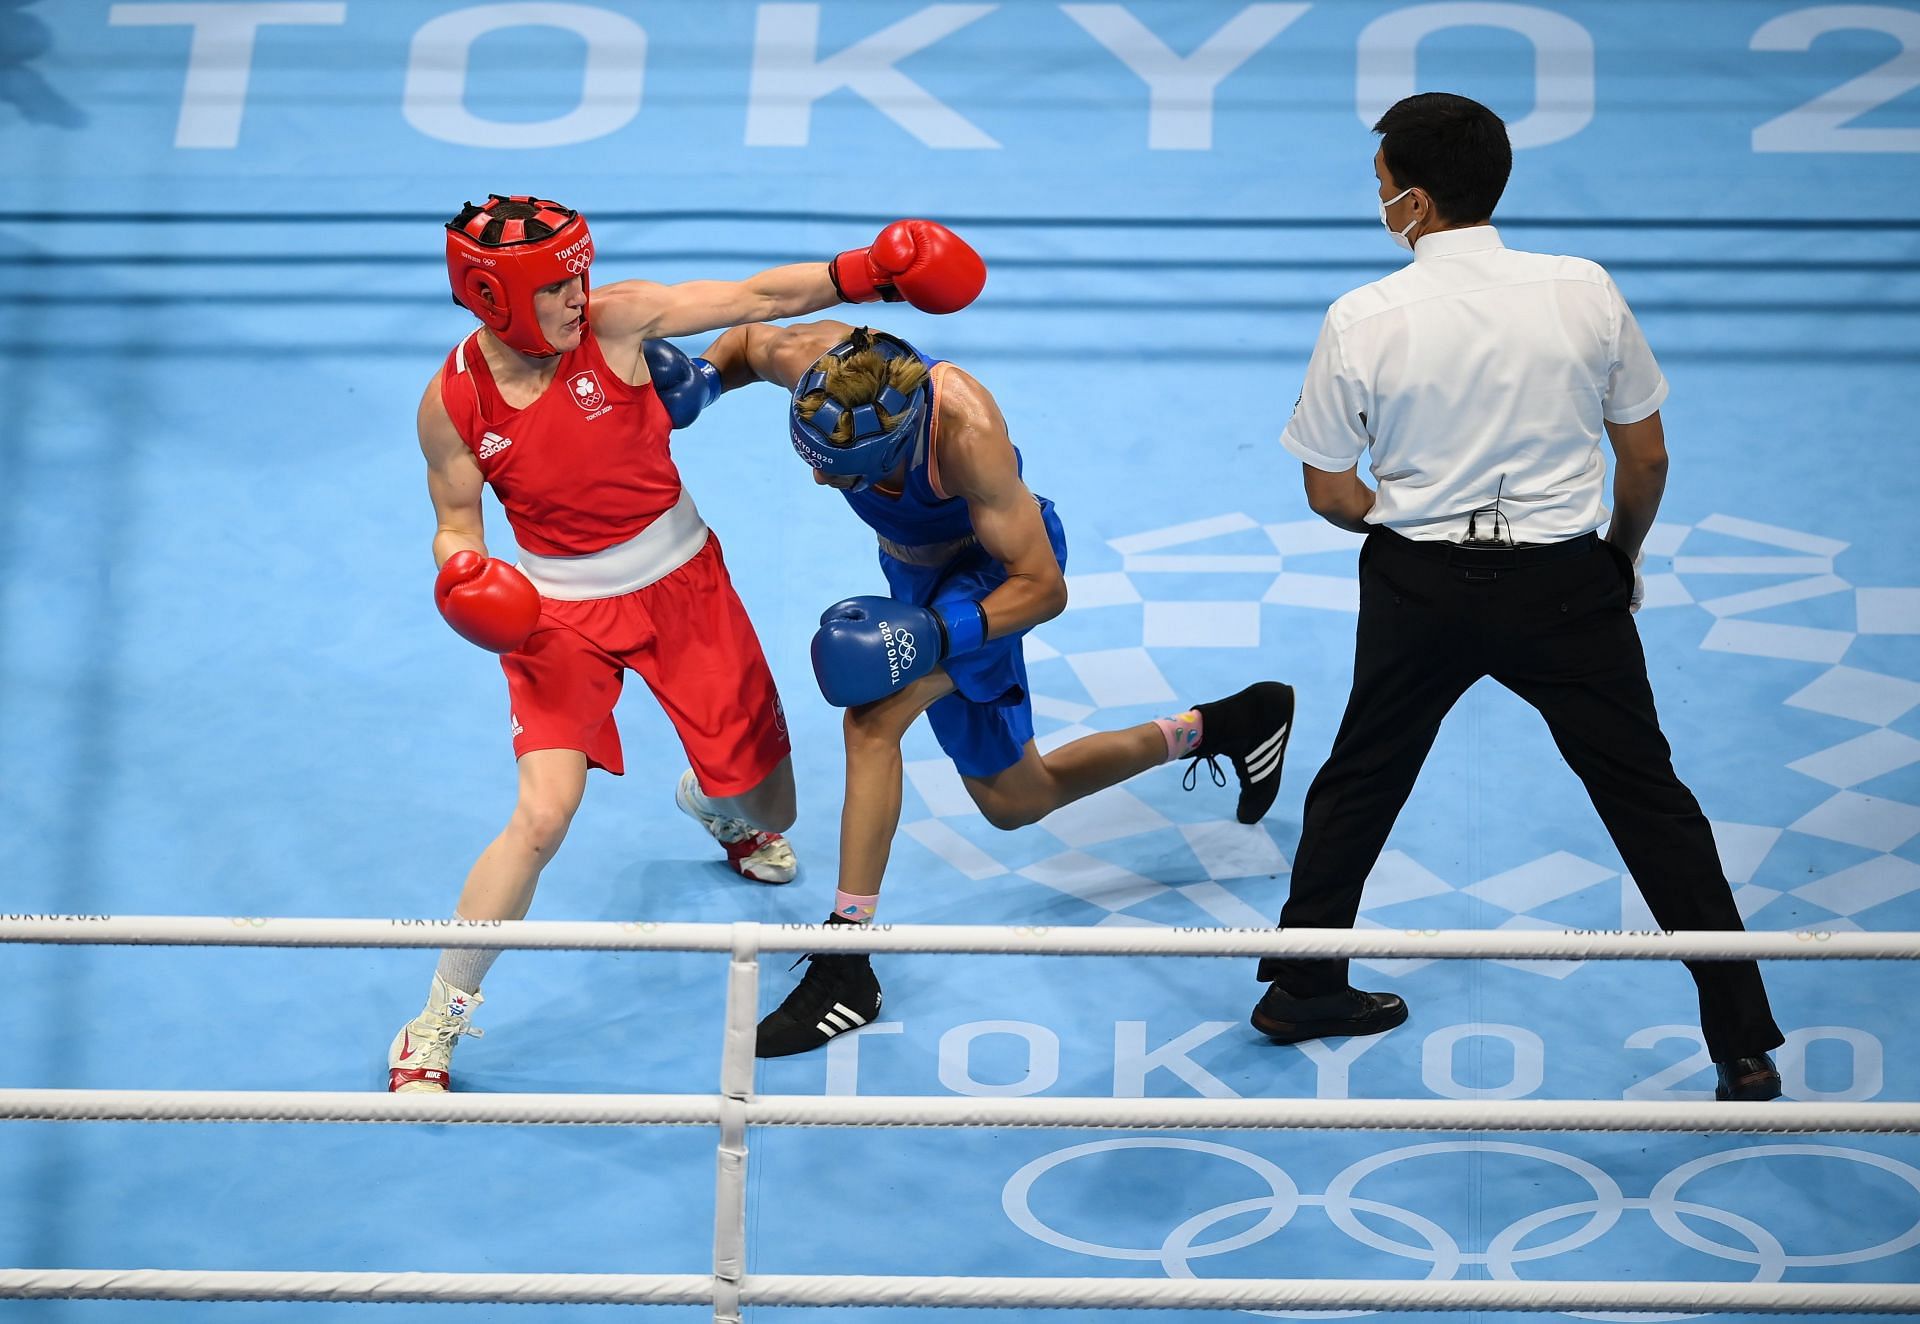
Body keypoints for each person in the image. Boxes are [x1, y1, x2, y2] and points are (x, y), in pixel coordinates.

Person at [1249, 94, 1785, 1102]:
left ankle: (1301, 987)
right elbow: (1647, 456)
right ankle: (1742, 1040)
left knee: (1358, 779)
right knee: (1651, 803)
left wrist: (1405, 524)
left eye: (1380, 185)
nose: (1378, 199)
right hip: (1564, 583)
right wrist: (1618, 559)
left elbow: (1328, 491)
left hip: (1418, 584)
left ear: (1412, 199)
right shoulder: (1584, 291)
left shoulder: (1363, 316)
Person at [389, 196, 987, 1092]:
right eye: (557, 286)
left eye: (580, 276)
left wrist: (865, 271)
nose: (578, 297)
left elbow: (753, 299)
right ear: (495, 295)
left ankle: (713, 804)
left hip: (684, 589)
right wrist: (463, 572)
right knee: (543, 816)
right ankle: (436, 1019)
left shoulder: (618, 321)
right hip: (555, 616)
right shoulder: (452, 404)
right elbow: (454, 519)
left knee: (771, 809)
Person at [690, 321, 1298, 1057]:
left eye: (840, 472)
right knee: (1018, 800)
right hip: (914, 578)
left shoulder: (968, 434)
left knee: (871, 722)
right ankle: (1224, 724)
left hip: (991, 581)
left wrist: (937, 638)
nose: (820, 481)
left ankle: (846, 961)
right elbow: (748, 338)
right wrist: (700, 380)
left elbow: (1044, 588)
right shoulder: (823, 377)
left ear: (897, 448)